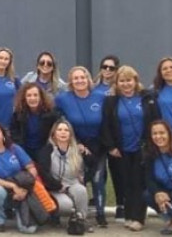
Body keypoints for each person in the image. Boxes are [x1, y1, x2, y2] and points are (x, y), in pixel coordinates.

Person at [100, 65, 160, 231]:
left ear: (135, 81)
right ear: (117, 83)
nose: (126, 84)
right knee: (125, 184)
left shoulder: (146, 98)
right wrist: (111, 146)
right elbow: (105, 125)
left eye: (129, 80)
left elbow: (156, 121)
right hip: (120, 149)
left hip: (142, 148)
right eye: (122, 81)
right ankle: (129, 215)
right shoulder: (111, 101)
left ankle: (139, 218)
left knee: (139, 183)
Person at [55, 66, 108, 227]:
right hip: (76, 145)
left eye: (82, 77)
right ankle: (79, 215)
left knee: (99, 180)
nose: (79, 81)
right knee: (80, 180)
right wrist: (76, 143)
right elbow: (59, 121)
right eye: (76, 78)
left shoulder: (100, 97)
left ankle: (101, 214)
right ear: (71, 81)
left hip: (98, 145)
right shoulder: (63, 98)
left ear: (88, 79)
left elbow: (107, 123)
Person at [0, 121, 39, 234]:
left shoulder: (14, 149)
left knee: (28, 230)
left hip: (22, 190)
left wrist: (25, 189)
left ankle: (20, 213)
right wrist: (13, 186)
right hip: (3, 189)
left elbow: (32, 168)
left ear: (3, 134)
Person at [36, 119, 92, 231]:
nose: (63, 132)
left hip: (72, 183)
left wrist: (86, 154)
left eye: (66, 130)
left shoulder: (77, 151)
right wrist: (58, 186)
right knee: (66, 205)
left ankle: (81, 220)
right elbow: (44, 174)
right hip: (55, 187)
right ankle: (55, 216)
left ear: (70, 134)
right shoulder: (47, 151)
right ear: (54, 134)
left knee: (81, 190)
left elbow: (90, 168)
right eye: (60, 130)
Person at [92, 55, 124, 221]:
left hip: (113, 137)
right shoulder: (93, 87)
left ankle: (121, 205)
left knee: (117, 172)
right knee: (98, 173)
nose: (107, 70)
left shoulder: (119, 89)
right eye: (105, 67)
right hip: (96, 137)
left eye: (111, 68)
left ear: (116, 70)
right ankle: (97, 202)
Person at [10, 82, 60, 159]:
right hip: (24, 151)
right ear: (24, 98)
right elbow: (15, 134)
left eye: (35, 95)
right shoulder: (17, 115)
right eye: (29, 95)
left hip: (45, 152)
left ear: (41, 97)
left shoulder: (51, 115)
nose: (32, 98)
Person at [0, 47, 20, 128]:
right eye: (0, 58)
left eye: (6, 59)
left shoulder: (14, 80)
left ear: (9, 62)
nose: (3, 61)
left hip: (11, 127)